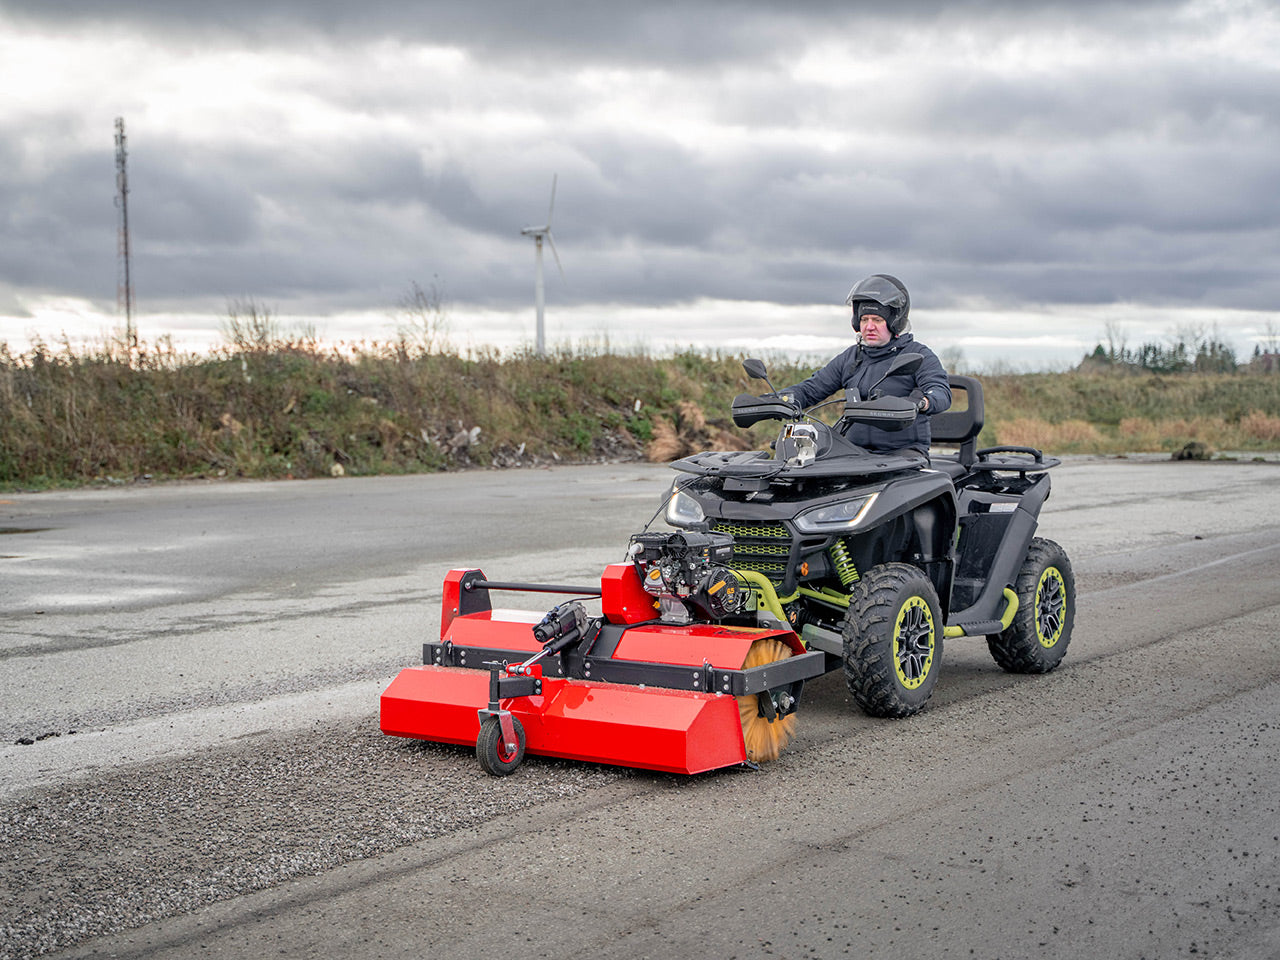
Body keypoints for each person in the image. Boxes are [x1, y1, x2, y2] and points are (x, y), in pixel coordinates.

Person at [779, 274, 950, 459]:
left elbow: (941, 392)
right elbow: (811, 389)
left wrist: (922, 402)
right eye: (864, 319)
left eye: (877, 320)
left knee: (902, 476)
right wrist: (777, 399)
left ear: (895, 322)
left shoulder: (918, 355)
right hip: (855, 453)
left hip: (904, 455)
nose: (869, 327)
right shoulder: (852, 357)